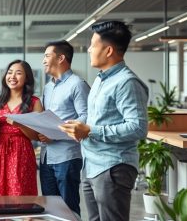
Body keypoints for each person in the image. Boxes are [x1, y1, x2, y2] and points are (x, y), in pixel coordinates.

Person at [60, 21, 148, 221]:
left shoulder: (127, 82)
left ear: (108, 50)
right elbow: (99, 119)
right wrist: (79, 130)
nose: (89, 49)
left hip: (113, 167)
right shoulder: (101, 79)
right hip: (91, 165)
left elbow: (138, 127)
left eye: (93, 44)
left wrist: (90, 131)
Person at [38, 40, 89, 215]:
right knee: (50, 209)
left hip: (67, 157)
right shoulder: (48, 87)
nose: (43, 60)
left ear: (61, 58)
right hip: (46, 158)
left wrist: (56, 133)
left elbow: (86, 118)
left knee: (69, 210)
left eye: (47, 56)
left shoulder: (77, 84)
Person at [0, 60, 43, 196]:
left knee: (20, 192)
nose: (12, 76)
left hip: (22, 151)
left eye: (18, 73)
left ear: (27, 78)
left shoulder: (34, 102)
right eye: (9, 72)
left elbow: (37, 136)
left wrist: (19, 125)